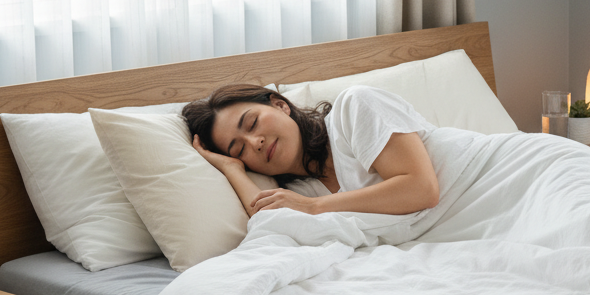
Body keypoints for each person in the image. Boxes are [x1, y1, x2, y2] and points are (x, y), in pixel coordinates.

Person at [182, 84, 440, 217]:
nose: (254, 142)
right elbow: (271, 223)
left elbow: (422, 189)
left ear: (280, 105)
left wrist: (313, 207)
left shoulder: (354, 106)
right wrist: (231, 168)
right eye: (239, 149)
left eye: (252, 123)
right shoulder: (298, 193)